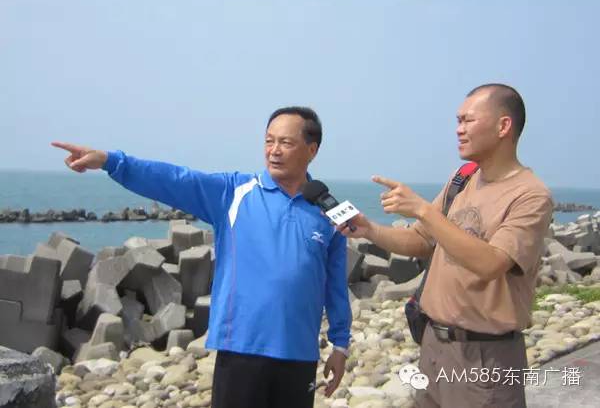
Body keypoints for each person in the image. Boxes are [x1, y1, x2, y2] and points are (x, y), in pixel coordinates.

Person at [52, 107, 351, 408]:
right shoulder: (234, 192)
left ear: (311, 150)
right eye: (268, 141)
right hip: (240, 351)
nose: (274, 151)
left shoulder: (329, 213)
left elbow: (335, 285)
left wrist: (341, 345)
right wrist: (110, 161)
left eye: (285, 143)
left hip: (298, 354)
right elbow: (175, 180)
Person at [338, 84, 553, 407]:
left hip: (486, 356)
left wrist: (423, 209)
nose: (459, 129)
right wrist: (369, 229)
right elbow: (422, 239)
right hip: (434, 346)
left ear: (503, 126)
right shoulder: (463, 178)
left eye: (467, 120)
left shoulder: (530, 195)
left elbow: (492, 263)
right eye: (457, 121)